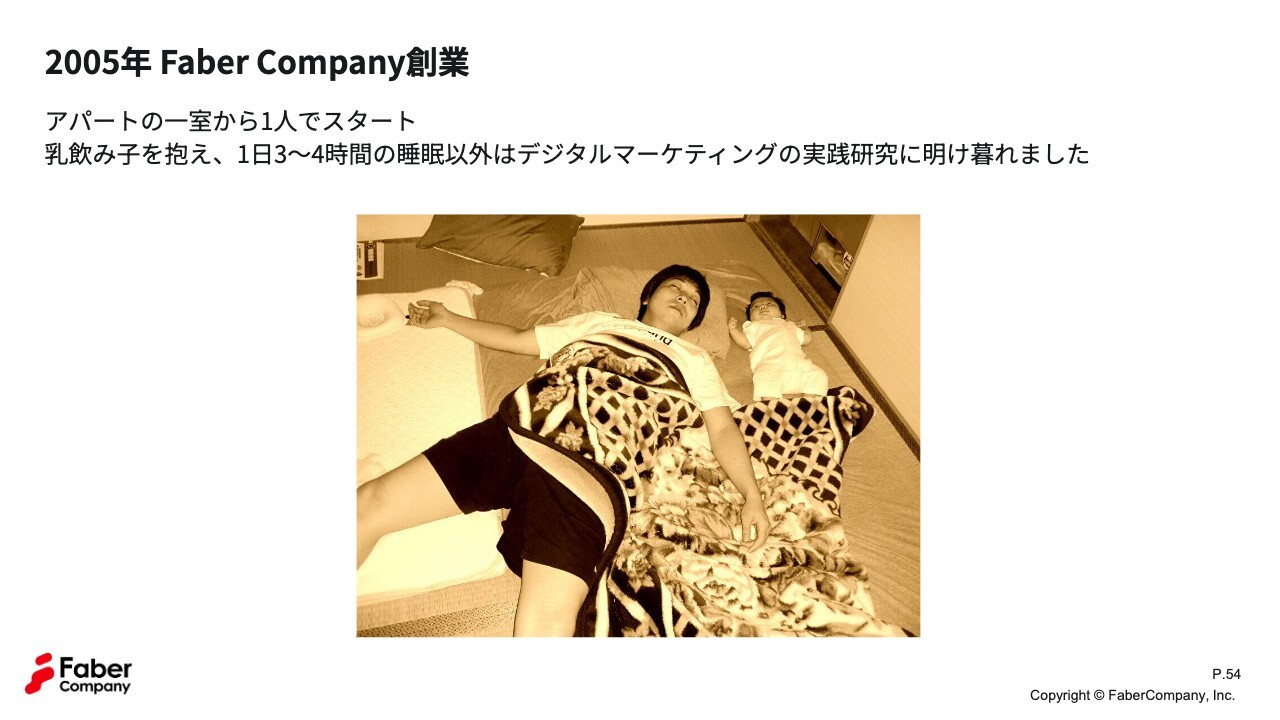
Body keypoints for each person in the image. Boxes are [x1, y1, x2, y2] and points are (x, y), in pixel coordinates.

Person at [356, 265, 771, 637]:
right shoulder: (600, 322)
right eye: (675, 287)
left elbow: (723, 429)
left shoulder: (695, 358)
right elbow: (517, 339)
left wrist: (752, 495)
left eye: (694, 300)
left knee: (546, 620)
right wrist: (447, 318)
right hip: (520, 429)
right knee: (367, 504)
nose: (684, 297)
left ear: (694, 322)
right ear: (647, 296)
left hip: (593, 467)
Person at [728, 291, 829, 400]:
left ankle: (810, 402)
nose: (763, 307)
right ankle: (772, 404)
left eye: (769, 304)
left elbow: (807, 338)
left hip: (799, 367)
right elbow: (745, 343)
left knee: (819, 375)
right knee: (764, 377)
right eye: (756, 307)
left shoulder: (790, 325)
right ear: (751, 318)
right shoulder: (754, 326)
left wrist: (804, 327)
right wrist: (733, 330)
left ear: (782, 315)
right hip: (771, 366)